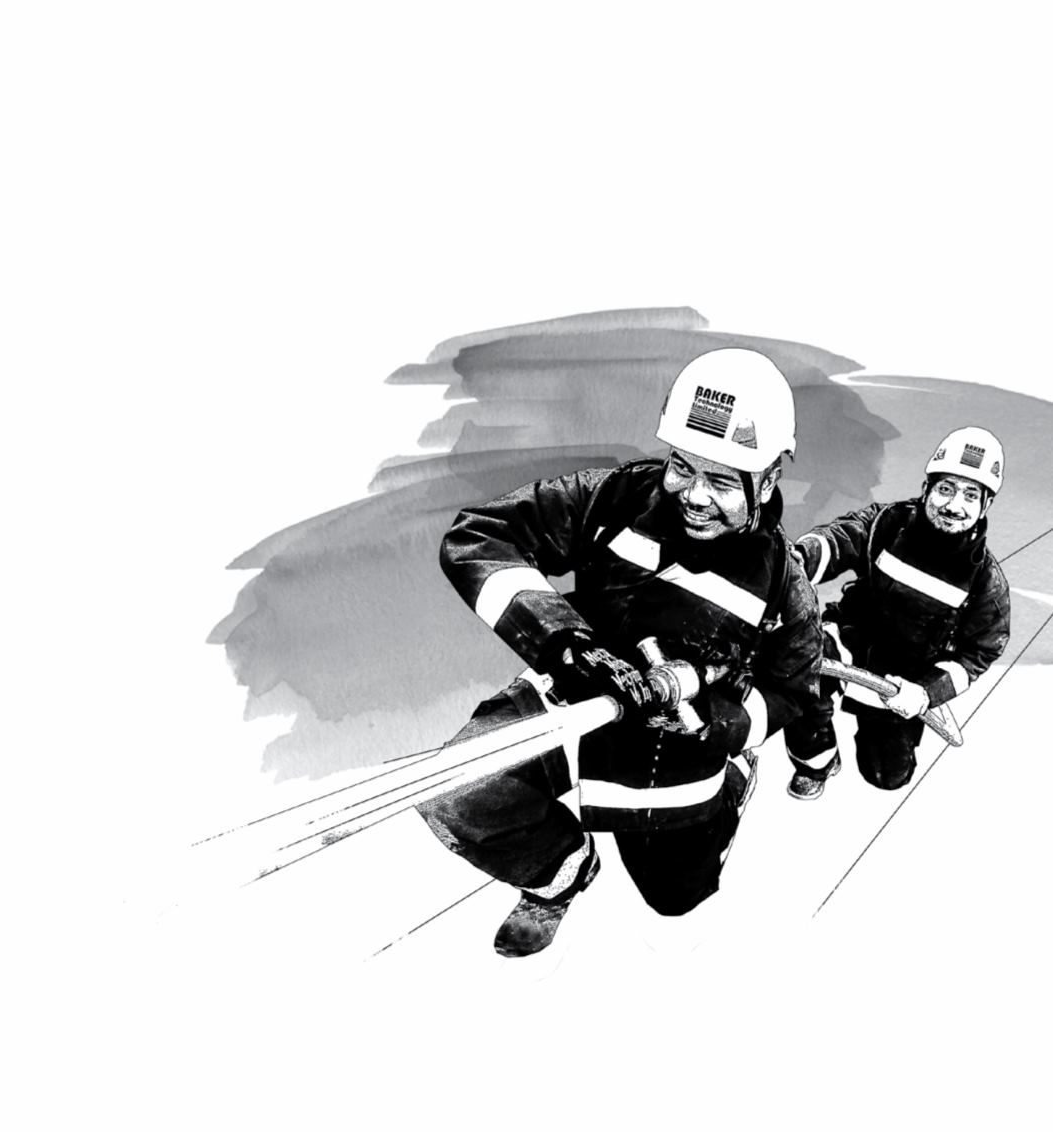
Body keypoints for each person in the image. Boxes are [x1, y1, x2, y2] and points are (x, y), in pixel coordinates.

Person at [419, 347, 823, 959]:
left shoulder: (783, 586)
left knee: (674, 904)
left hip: (676, 753)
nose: (694, 496)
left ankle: (732, 785)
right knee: (455, 791)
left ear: (767, 481)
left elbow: (792, 688)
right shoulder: (615, 499)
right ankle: (559, 877)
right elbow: (479, 537)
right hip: (574, 696)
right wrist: (566, 645)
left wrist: (718, 726)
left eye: (721, 481)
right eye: (683, 467)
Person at [784, 428, 1011, 799]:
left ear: (985, 506)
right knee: (799, 674)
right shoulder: (888, 523)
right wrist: (799, 560)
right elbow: (842, 538)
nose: (954, 505)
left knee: (886, 775)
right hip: (848, 643)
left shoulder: (987, 583)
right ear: (926, 488)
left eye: (971, 495)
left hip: (903, 682)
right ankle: (816, 763)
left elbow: (978, 654)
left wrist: (926, 693)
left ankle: (882, 741)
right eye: (946, 488)